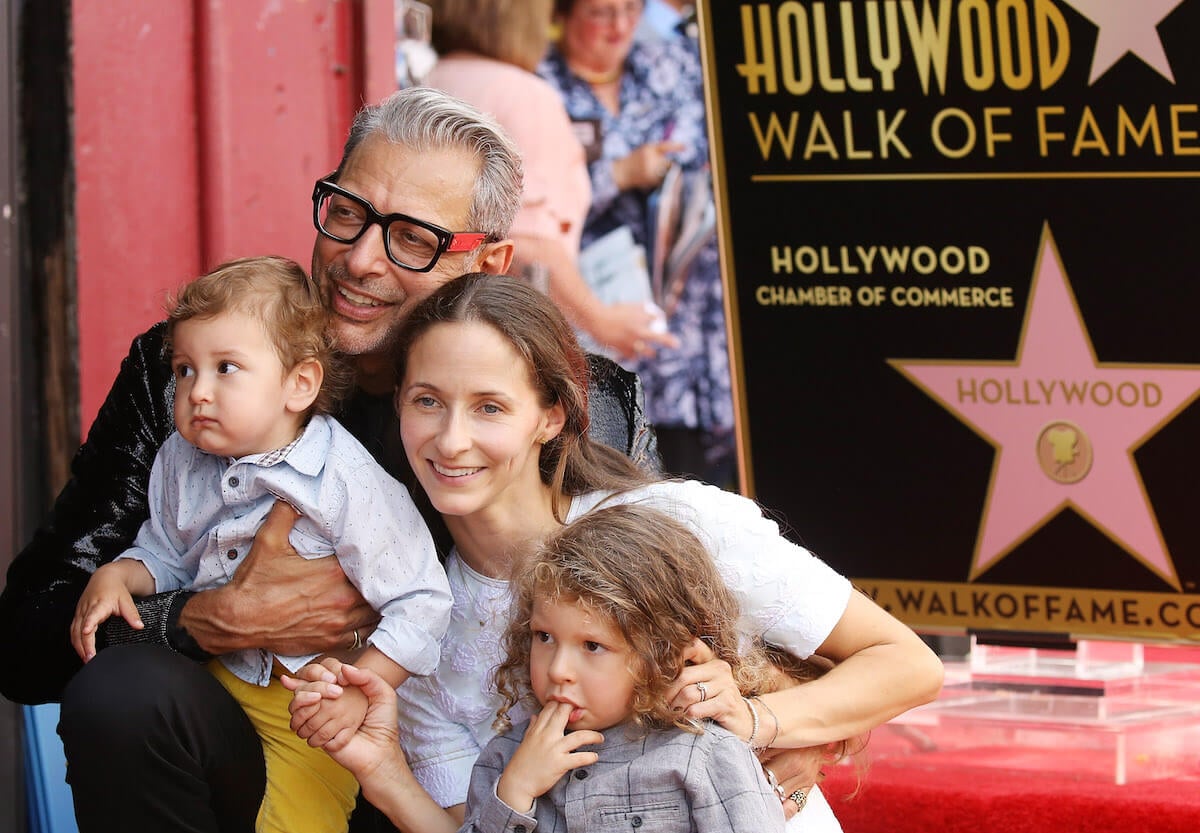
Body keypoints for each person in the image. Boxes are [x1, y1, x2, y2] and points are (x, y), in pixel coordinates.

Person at [0, 86, 656, 833]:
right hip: (256, 748)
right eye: (347, 213)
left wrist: (774, 716)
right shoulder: (199, 371)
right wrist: (209, 617)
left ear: (492, 263)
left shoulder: (579, 399)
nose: (359, 258)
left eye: (413, 238)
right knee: (122, 691)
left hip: (478, 785)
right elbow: (26, 638)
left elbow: (669, 616)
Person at [283, 273, 944, 831]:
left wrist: (763, 721)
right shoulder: (419, 624)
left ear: (551, 416)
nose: (451, 439)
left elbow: (908, 663)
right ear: (398, 403)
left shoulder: (671, 524)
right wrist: (380, 767)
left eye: (489, 407)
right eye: (428, 401)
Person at [67, 256, 452, 833]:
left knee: (295, 820)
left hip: (311, 696)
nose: (197, 391)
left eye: (226, 368)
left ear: (299, 384)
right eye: (184, 370)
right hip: (219, 676)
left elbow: (422, 599)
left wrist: (358, 689)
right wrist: (123, 574)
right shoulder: (180, 459)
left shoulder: (344, 479)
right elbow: (169, 552)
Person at [460, 503, 786, 832]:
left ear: (665, 653)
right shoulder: (504, 761)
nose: (558, 670)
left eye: (592, 646)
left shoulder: (704, 756)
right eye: (544, 636)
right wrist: (515, 793)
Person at [539, 0, 735, 486]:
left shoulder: (671, 64)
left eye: (630, 9)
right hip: (591, 313)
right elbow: (528, 205)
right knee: (615, 485)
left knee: (704, 488)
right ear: (563, 14)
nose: (621, 26)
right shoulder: (539, 86)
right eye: (602, 13)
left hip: (686, 326)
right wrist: (618, 175)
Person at [424, 0, 676, 361]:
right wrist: (601, 319)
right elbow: (530, 240)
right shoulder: (525, 95)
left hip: (437, 317)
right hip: (503, 328)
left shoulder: (432, 77)